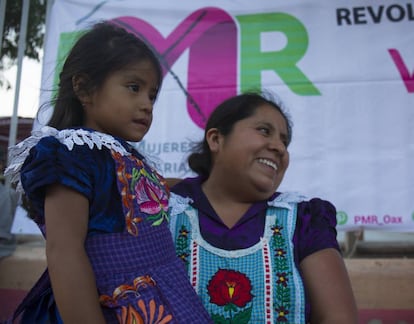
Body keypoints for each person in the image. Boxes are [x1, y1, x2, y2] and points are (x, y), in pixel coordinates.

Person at [5, 21, 211, 324]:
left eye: (152, 95)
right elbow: (64, 251)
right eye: (134, 88)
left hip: (164, 299)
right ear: (84, 87)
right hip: (109, 306)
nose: (146, 104)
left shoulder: (125, 158)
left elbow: (133, 201)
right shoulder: (69, 153)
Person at [168, 92, 358, 323]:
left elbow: (338, 318)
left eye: (285, 141)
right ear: (216, 139)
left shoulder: (303, 220)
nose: (279, 147)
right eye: (264, 130)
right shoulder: (162, 208)